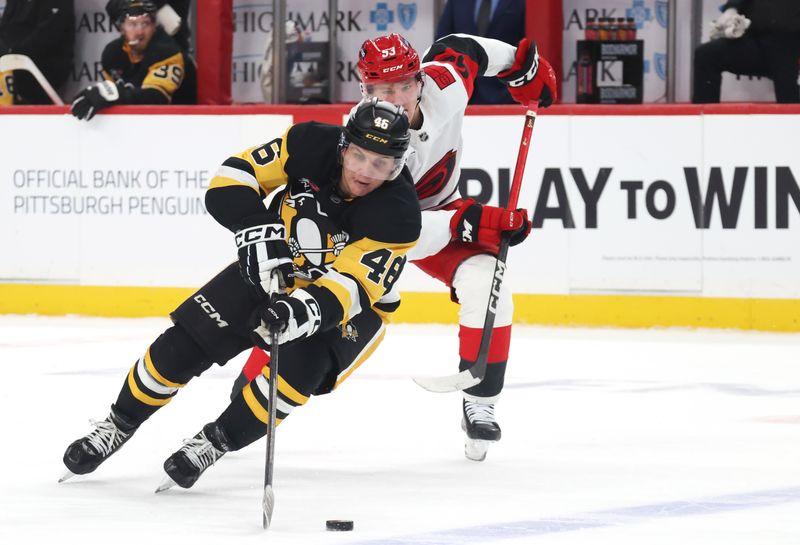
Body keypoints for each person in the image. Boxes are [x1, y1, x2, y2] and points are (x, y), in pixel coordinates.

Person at [60, 98, 421, 490]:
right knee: (180, 346)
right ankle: (118, 424)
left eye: (381, 164)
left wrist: (299, 311)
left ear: (397, 166)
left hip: (348, 310)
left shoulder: (399, 214)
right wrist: (258, 229)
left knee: (296, 376)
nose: (366, 172)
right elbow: (234, 175)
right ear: (343, 146)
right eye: (359, 156)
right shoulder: (308, 143)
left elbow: (352, 287)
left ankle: (213, 443)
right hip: (274, 269)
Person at [233, 33, 557, 462]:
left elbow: (468, 48)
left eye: (405, 85)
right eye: (383, 89)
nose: (397, 98)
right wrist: (469, 224)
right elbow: (399, 232)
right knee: (312, 304)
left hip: (440, 207)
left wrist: (523, 68)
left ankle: (481, 401)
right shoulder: (365, 140)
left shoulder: (446, 82)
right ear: (363, 89)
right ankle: (253, 384)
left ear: (421, 79)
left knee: (487, 280)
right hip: (367, 232)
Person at [71, 0, 196, 121]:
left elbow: (156, 98)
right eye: (132, 24)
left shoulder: (167, 52)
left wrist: (115, 93)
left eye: (146, 23)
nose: (140, 32)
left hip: (178, 127)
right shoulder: (112, 54)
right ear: (121, 28)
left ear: (154, 27)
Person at [693, 0, 800, 103]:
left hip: (790, 45)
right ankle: (704, 117)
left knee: (789, 99)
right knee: (706, 55)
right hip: (755, 40)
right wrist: (731, 9)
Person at [435, 0, 526, 104]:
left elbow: (527, 47)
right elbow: (442, 43)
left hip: (507, 97)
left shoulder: (521, 3)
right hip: (462, 95)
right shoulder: (456, 2)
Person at [0, 0, 74, 104]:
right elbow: (5, 27)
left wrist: (12, 53)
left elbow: (48, 35)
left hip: (44, 66)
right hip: (11, 63)